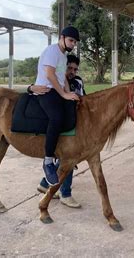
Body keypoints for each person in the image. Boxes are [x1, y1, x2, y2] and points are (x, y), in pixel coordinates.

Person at [28, 54, 84, 208]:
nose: (72, 71)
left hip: (73, 123)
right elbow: (38, 90)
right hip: (58, 124)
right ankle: (65, 193)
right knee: (69, 158)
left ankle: (44, 183)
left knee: (66, 157)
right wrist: (30, 88)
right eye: (69, 68)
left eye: (75, 69)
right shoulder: (54, 81)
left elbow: (83, 99)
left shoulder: (77, 82)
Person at [34, 26, 80, 190]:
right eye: (71, 40)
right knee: (57, 118)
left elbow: (62, 78)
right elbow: (50, 75)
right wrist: (63, 94)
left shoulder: (63, 55)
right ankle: (48, 161)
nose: (73, 44)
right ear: (62, 37)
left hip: (57, 90)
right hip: (46, 90)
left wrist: (70, 93)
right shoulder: (53, 51)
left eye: (74, 42)